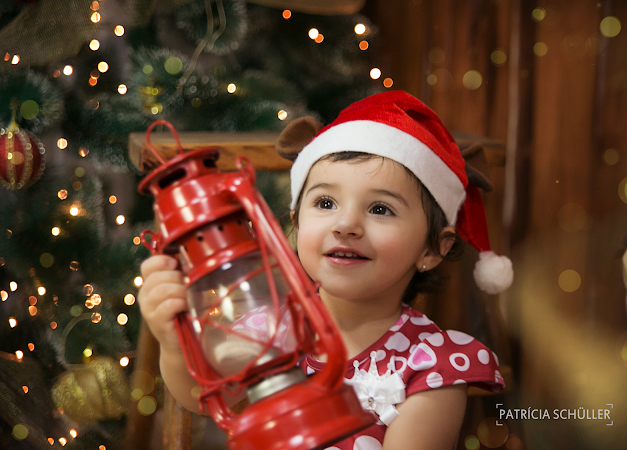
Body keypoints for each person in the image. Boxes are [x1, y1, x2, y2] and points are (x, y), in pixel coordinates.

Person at [139, 90, 510, 450]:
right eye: (326, 202)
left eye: (381, 208)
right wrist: (173, 344)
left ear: (432, 250)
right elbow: (201, 397)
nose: (346, 224)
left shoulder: (432, 364)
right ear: (297, 224)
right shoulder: (271, 330)